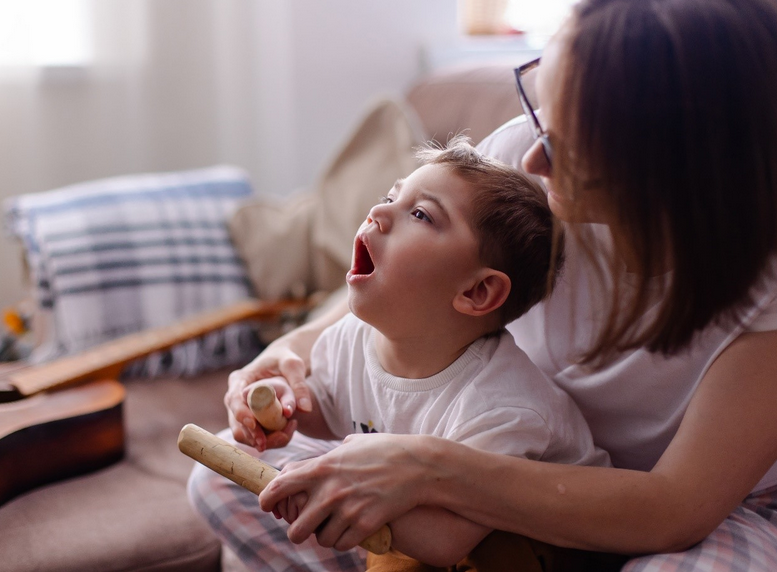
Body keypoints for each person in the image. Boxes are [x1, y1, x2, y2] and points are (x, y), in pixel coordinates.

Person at [199, 0, 777, 569]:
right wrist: (282, 359)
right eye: (539, 110)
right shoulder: (519, 167)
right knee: (221, 473)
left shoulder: (764, 291)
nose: (530, 157)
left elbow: (674, 509)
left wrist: (427, 467)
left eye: (562, 150)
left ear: (673, 176)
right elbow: (377, 311)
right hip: (477, 469)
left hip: (695, 513)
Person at [189, 136, 611, 569]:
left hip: (524, 553)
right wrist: (282, 403)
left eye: (421, 215)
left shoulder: (504, 406)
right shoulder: (353, 336)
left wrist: (314, 492)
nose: (379, 212)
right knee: (218, 470)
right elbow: (327, 409)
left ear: (477, 290)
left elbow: (443, 539)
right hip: (405, 533)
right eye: (390, 196)